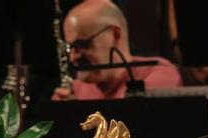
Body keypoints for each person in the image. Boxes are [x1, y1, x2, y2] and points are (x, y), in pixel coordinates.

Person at [54, 0, 182, 101]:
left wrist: (77, 112)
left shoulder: (159, 73)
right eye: (70, 47)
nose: (72, 58)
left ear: (115, 35)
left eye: (82, 45)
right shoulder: (76, 88)